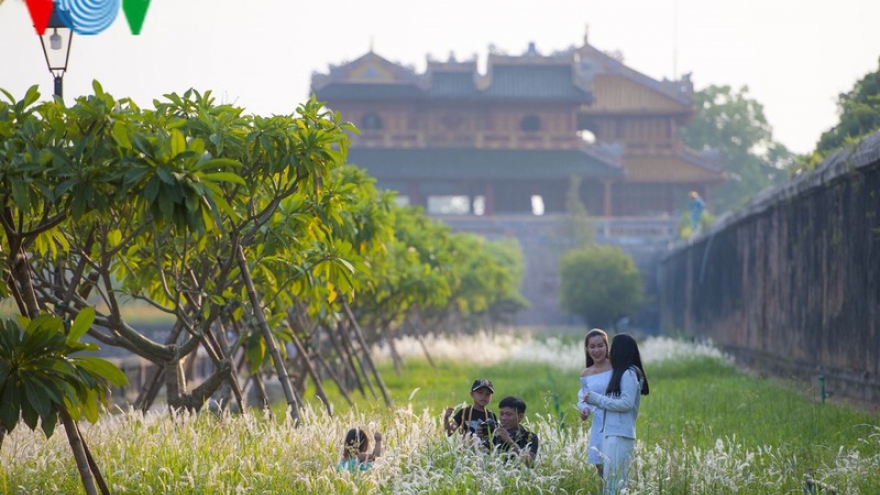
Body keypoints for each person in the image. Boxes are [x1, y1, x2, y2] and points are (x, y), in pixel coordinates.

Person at [583, 333, 649, 495]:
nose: (610, 352)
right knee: (612, 481)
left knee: (615, 482)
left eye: (612, 348)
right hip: (614, 432)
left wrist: (597, 399)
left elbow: (626, 404)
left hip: (619, 433)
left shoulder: (629, 373)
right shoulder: (625, 373)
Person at [577, 328, 613, 480]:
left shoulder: (615, 367)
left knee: (615, 463)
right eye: (592, 346)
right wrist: (585, 410)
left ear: (606, 346)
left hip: (615, 417)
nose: (596, 350)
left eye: (600, 345)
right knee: (600, 467)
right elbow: (585, 398)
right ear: (587, 349)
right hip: (598, 423)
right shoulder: (586, 374)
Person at [443, 378, 498, 447]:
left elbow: (495, 439)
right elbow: (449, 432)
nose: (484, 396)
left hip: (485, 453)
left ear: (491, 397)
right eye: (480, 393)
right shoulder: (464, 412)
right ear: (472, 394)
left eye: (488, 394)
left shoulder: (491, 415)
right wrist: (446, 418)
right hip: (466, 453)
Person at [492, 395, 539, 466]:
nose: (503, 418)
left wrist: (510, 442)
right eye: (501, 414)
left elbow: (530, 462)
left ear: (520, 417)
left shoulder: (529, 437)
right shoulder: (494, 434)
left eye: (508, 414)